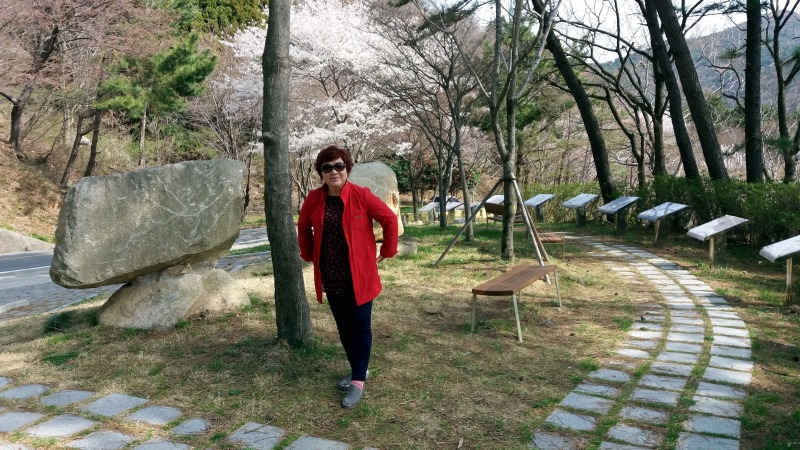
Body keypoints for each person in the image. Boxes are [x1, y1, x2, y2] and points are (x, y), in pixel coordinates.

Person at [297, 145, 399, 408]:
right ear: (321, 172)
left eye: (339, 166)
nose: (334, 172)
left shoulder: (361, 195)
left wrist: (387, 251)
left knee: (360, 326)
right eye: (327, 167)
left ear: (347, 168)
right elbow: (303, 226)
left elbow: (389, 219)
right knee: (343, 326)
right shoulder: (314, 199)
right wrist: (308, 254)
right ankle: (358, 370)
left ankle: (358, 380)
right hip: (332, 275)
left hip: (360, 275)